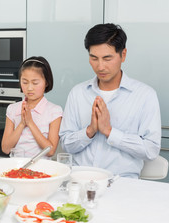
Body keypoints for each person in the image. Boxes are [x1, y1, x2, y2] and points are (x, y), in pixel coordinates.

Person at [59, 23, 161, 178]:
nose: (100, 66)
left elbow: (151, 150)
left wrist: (110, 132)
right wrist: (90, 131)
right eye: (94, 58)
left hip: (122, 184)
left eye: (107, 58)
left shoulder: (145, 95)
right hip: (79, 180)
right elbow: (66, 145)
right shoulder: (77, 93)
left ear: (123, 55)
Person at [1, 56, 63, 159]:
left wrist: (30, 123)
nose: (29, 88)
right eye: (25, 82)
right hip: (16, 169)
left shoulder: (54, 111)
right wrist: (22, 124)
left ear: (46, 82)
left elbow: (50, 151)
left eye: (35, 83)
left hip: (42, 171)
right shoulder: (12, 109)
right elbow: (5, 148)